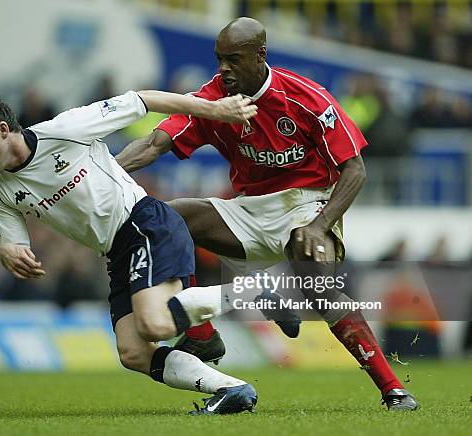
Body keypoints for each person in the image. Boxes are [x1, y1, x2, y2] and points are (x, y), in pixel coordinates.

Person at [116, 17, 418, 411]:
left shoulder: (306, 97)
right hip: (250, 210)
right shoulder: (212, 101)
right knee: (168, 219)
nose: (224, 68)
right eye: (220, 59)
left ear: (260, 55)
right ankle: (203, 333)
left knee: (316, 283)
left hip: (308, 204)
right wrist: (100, 175)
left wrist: (320, 224)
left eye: (234, 59)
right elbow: (155, 144)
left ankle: (393, 388)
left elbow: (355, 169)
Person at [0, 88, 261, 415]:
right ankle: (230, 389)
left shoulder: (66, 130)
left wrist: (215, 109)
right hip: (117, 252)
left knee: (154, 323)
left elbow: (143, 100)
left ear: (2, 130)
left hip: (145, 223)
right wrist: (10, 251)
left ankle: (255, 293)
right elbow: (12, 240)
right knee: (134, 352)